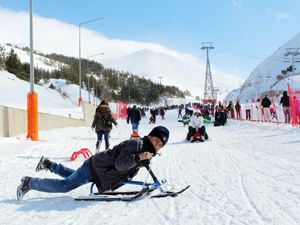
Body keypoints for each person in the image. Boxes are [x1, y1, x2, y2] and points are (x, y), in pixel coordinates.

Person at [16, 126, 170, 200]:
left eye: (160, 145)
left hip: (99, 170)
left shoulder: (143, 149)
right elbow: (120, 164)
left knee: (73, 176)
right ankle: (29, 183)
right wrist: (139, 158)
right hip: (96, 166)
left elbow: (126, 168)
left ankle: (49, 164)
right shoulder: (137, 144)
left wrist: (140, 160)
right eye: (156, 140)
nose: (156, 145)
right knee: (66, 185)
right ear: (150, 136)